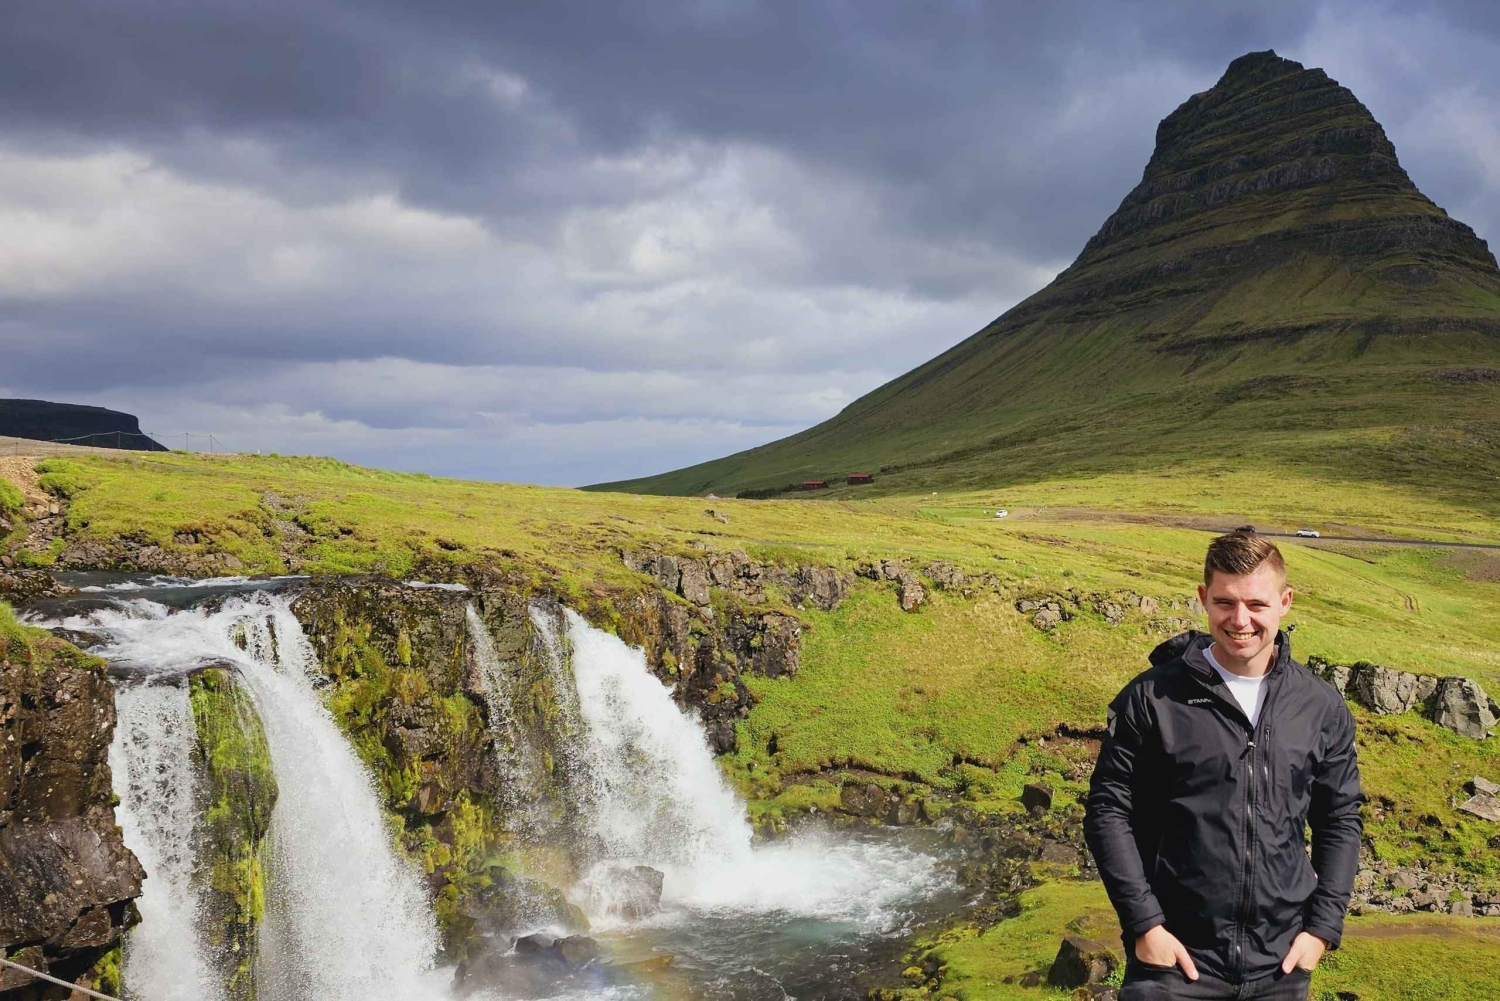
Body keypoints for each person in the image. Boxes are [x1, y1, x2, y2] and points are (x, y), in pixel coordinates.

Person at [1084, 532, 1363, 999]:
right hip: (1172, 963)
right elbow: (1107, 810)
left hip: (1281, 966)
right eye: (1224, 602)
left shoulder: (1319, 705)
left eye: (1256, 604)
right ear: (1202, 599)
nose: (1240, 620)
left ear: (1285, 602)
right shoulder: (1152, 698)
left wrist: (1322, 929)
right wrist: (1144, 924)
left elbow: (1340, 819)